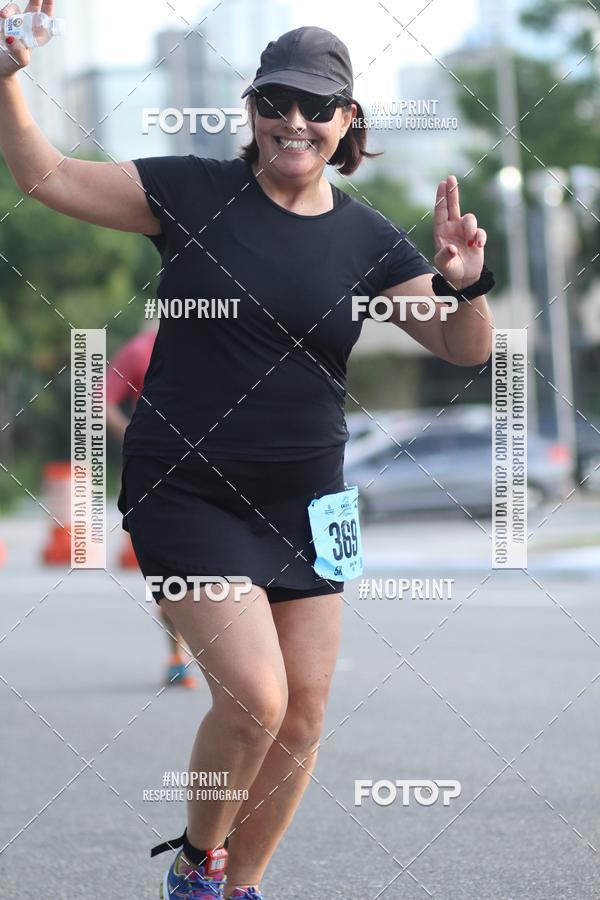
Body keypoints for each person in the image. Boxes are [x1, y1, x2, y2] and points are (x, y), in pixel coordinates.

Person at [0, 7, 495, 898]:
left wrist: (467, 286)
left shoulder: (367, 240)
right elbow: (42, 175)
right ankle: (195, 869)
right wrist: (6, 74)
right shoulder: (190, 192)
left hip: (312, 503)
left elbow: (466, 349)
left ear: (349, 123)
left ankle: (242, 889)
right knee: (256, 700)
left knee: (302, 720)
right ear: (253, 107)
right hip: (188, 493)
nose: (295, 120)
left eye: (317, 105)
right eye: (278, 100)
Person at [106, 324, 198, 689]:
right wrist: (136, 438)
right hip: (155, 479)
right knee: (174, 574)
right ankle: (178, 655)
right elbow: (101, 402)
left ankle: (209, 655)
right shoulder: (139, 349)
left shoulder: (210, 339)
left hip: (208, 473)